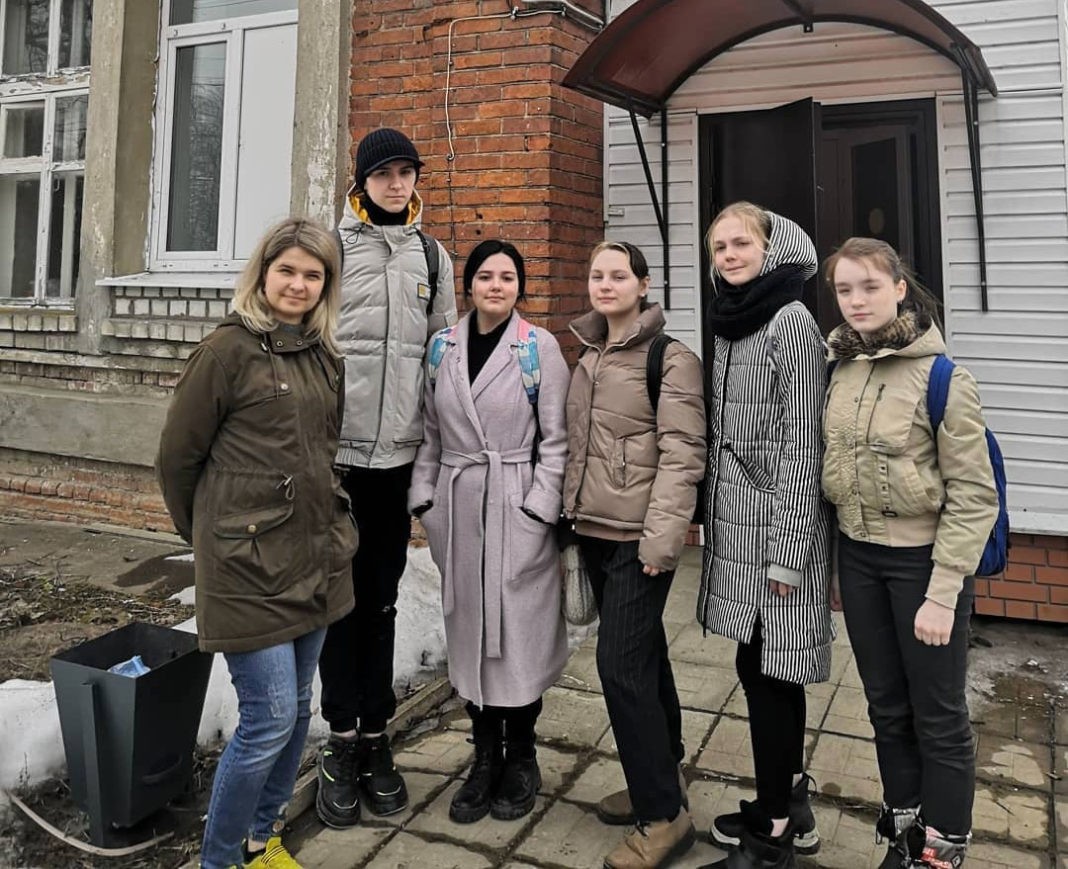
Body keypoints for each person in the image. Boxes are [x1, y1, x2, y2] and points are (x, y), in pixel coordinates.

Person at [156, 218, 357, 869]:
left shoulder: (325, 356)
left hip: (314, 559)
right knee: (267, 719)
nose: (298, 284)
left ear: (326, 285)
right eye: (286, 270)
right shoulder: (226, 353)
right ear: (262, 273)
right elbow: (176, 460)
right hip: (247, 571)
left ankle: (261, 839)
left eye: (312, 274)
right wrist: (212, 540)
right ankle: (218, 861)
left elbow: (323, 455)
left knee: (295, 712)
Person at [821, 237, 998, 869]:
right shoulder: (840, 371)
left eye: (870, 286)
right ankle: (904, 828)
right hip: (859, 561)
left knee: (939, 715)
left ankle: (941, 850)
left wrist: (943, 593)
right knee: (886, 706)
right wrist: (835, 568)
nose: (856, 300)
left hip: (923, 565)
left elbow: (974, 495)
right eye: (844, 289)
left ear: (899, 289)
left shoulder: (944, 378)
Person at [316, 128, 457, 828]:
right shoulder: (331, 250)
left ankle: (377, 737)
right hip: (337, 463)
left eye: (406, 172)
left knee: (380, 601)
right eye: (384, 174)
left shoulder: (433, 256)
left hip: (395, 464)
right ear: (361, 182)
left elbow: (443, 357)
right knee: (337, 603)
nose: (397, 184)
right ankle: (339, 741)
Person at [408, 239, 570, 824]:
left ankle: (521, 757)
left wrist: (538, 508)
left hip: (516, 500)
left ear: (520, 286)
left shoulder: (537, 348)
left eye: (507, 277)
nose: (496, 286)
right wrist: (425, 498)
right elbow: (429, 431)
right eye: (485, 276)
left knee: (519, 637)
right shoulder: (441, 347)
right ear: (469, 285)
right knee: (471, 634)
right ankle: (483, 759)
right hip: (457, 504)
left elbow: (557, 439)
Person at [563, 241, 706, 869]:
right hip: (595, 529)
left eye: (618, 275)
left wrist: (663, 538)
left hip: (639, 538)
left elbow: (683, 452)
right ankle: (663, 776)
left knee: (619, 667)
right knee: (644, 656)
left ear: (643, 285)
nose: (605, 284)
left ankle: (663, 819)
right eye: (597, 274)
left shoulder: (669, 358)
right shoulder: (589, 353)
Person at [697, 202, 831, 869]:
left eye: (741, 243)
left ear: (771, 248)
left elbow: (804, 444)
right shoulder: (735, 316)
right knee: (760, 666)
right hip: (741, 528)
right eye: (719, 246)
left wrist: (788, 556)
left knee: (772, 671)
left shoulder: (790, 320)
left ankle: (775, 829)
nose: (729, 255)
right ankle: (786, 798)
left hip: (779, 533)